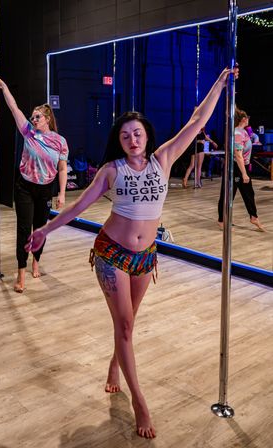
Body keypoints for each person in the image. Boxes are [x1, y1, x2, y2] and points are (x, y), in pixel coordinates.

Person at [25, 68, 236, 439]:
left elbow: (197, 119)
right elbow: (78, 207)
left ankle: (114, 366)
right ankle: (140, 401)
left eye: (137, 133)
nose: (133, 139)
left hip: (145, 257)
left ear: (146, 135)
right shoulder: (111, 170)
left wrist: (219, 84)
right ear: (119, 142)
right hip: (111, 254)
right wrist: (45, 229)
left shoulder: (164, 158)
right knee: (124, 326)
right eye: (125, 136)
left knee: (128, 324)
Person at [0, 78, 69, 292]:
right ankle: (21, 273)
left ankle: (36, 260)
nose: (33, 119)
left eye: (37, 116)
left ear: (46, 119)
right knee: (24, 229)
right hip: (25, 187)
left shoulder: (59, 141)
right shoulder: (28, 132)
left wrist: (62, 193)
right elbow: (13, 107)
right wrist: (5, 88)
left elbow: (62, 169)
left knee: (40, 230)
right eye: (32, 116)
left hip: (45, 189)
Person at [218, 108, 264, 231]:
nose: (249, 119)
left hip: (243, 167)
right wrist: (243, 173)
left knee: (249, 193)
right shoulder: (237, 133)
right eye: (247, 117)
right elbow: (238, 155)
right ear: (244, 119)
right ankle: (222, 220)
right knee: (228, 194)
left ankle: (253, 217)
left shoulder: (243, 132)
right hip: (236, 168)